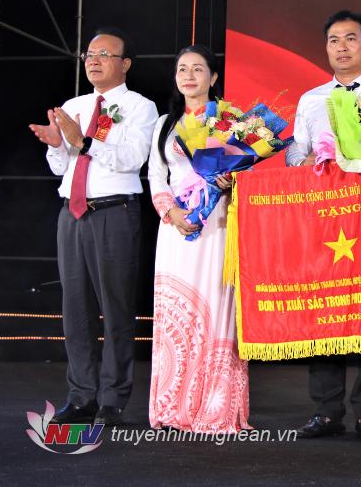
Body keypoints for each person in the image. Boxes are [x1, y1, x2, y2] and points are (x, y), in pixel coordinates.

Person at [29, 27, 158, 425]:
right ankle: (80, 396)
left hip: (114, 213)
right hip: (72, 213)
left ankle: (112, 399)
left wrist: (83, 142)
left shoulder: (140, 107)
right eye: (89, 54)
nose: (94, 60)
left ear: (125, 64)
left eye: (104, 54)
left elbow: (132, 159)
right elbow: (62, 168)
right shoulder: (76, 104)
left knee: (116, 308)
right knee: (76, 310)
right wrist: (56, 144)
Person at [285, 10, 361, 442]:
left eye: (351, 38)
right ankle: (326, 409)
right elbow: (295, 152)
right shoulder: (310, 99)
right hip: (323, 219)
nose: (341, 47)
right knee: (323, 307)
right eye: (334, 40)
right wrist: (303, 160)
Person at [146, 45, 251, 433]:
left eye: (198, 69)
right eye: (182, 69)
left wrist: (230, 180)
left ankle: (215, 409)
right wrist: (171, 213)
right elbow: (157, 176)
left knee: (217, 310)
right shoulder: (164, 125)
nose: (189, 76)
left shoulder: (231, 121)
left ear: (213, 77)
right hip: (174, 229)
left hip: (218, 225)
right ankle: (172, 408)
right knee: (175, 314)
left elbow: (244, 170)